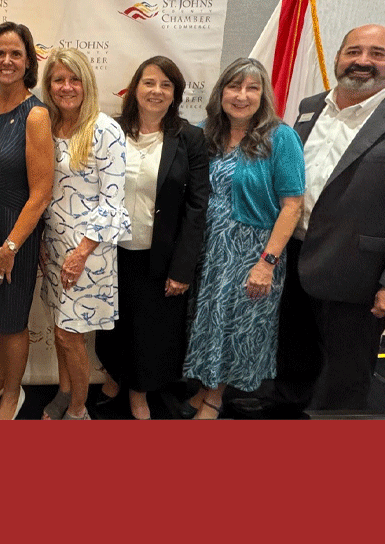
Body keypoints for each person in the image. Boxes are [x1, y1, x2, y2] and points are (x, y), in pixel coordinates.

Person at [265, 24, 385, 412]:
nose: (362, 61)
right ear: (339, 57)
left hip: (358, 273)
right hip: (294, 259)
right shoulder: (310, 109)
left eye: (377, 53)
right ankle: (285, 414)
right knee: (293, 355)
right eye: (353, 51)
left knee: (344, 375)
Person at [182, 57, 304, 419]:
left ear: (263, 94)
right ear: (221, 92)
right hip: (208, 249)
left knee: (235, 326)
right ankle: (205, 386)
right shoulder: (206, 133)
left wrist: (266, 263)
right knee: (208, 323)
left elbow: (292, 205)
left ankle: (215, 398)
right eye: (234, 87)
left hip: (251, 252)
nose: (242, 95)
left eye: (252, 88)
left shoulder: (280, 137)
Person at [94, 56, 210, 419]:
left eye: (166, 85)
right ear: (135, 88)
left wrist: (183, 267)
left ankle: (139, 392)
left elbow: (197, 207)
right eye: (149, 82)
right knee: (113, 326)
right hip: (111, 253)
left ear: (175, 94)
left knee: (150, 333)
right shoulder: (111, 129)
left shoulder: (189, 138)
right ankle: (115, 375)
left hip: (159, 255)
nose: (156, 91)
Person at [39, 48, 130, 420]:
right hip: (56, 244)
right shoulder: (47, 126)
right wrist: (46, 243)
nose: (66, 87)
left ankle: (78, 410)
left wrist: (81, 253)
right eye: (59, 79)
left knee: (69, 334)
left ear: (87, 83)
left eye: (74, 79)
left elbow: (113, 203)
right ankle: (64, 391)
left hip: (89, 253)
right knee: (59, 328)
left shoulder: (105, 130)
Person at [0, 22, 53, 420]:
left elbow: (41, 193)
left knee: (12, 318)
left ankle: (13, 396)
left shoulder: (36, 115)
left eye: (15, 54)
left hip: (14, 230)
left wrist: (11, 246)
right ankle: (0, 377)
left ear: (28, 62)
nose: (7, 60)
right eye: (0, 53)